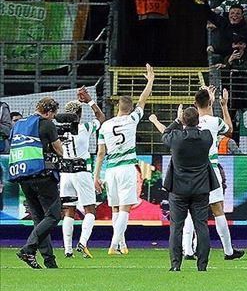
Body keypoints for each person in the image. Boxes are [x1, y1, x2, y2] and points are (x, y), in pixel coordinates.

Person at [152, 87, 244, 261]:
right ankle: (228, 250)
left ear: (194, 104)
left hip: (188, 171)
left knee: (188, 210)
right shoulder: (215, 122)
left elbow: (168, 134)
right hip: (210, 169)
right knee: (218, 210)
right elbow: (229, 129)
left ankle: (187, 250)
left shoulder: (187, 121)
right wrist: (224, 105)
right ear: (210, 103)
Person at [93, 64, 155, 255]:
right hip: (127, 168)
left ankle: (122, 244)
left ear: (117, 107)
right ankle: (114, 245)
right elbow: (143, 100)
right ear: (130, 108)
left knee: (115, 208)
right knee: (125, 209)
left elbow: (100, 153)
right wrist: (150, 81)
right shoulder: (132, 120)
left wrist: (96, 176)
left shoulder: (105, 126)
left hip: (110, 169)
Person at [161, 106, 221, 272]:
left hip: (178, 190)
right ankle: (202, 265)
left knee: (176, 227)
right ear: (198, 120)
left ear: (183, 120)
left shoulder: (176, 137)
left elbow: (164, 134)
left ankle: (175, 265)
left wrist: (176, 120)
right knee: (201, 226)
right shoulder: (206, 137)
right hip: (201, 189)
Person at [9, 97, 65, 268]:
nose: (53, 118)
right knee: (54, 215)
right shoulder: (47, 124)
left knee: (39, 219)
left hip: (23, 176)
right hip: (42, 175)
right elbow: (59, 150)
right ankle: (28, 249)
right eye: (53, 115)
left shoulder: (19, 124)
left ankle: (49, 261)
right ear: (48, 112)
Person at [59, 88, 106, 259]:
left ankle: (67, 249)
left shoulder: (60, 131)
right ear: (79, 115)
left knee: (68, 210)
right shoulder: (84, 127)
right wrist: (90, 101)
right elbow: (101, 118)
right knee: (90, 210)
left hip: (65, 173)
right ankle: (82, 242)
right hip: (81, 172)